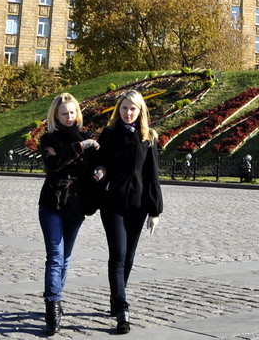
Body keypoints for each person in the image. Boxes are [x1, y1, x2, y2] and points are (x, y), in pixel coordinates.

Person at [92, 89, 163, 334]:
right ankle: (122, 310)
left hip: (138, 205)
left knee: (129, 257)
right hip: (112, 203)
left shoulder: (148, 137)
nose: (128, 113)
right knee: (118, 256)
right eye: (124, 108)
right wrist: (100, 171)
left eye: (133, 108)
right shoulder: (109, 134)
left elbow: (152, 175)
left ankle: (116, 296)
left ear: (140, 111)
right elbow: (99, 161)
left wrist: (155, 210)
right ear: (118, 110)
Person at [37, 92, 100, 336]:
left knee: (65, 258)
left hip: (76, 206)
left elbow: (95, 165)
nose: (69, 116)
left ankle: (57, 296)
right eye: (64, 113)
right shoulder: (48, 139)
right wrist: (79, 147)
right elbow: (53, 164)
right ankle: (52, 306)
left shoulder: (86, 137)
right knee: (54, 255)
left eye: (72, 112)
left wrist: (99, 172)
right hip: (52, 204)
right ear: (56, 115)